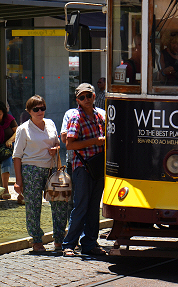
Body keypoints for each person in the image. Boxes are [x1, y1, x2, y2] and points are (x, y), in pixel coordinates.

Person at [12, 95, 68, 252]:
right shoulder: (23, 129)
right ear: (29, 111)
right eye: (36, 109)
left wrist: (55, 150)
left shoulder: (50, 123)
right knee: (33, 205)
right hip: (31, 169)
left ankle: (59, 238)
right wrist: (18, 181)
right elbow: (16, 156)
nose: (40, 111)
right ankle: (36, 240)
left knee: (59, 203)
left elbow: (57, 144)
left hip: (51, 169)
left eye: (42, 108)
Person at [62, 83, 107, 257]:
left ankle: (90, 243)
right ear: (77, 100)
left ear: (94, 96)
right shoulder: (76, 117)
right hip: (82, 167)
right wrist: (94, 141)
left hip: (97, 167)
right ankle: (69, 244)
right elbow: (69, 144)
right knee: (80, 206)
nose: (86, 99)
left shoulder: (100, 116)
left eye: (89, 96)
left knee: (94, 207)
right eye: (82, 97)